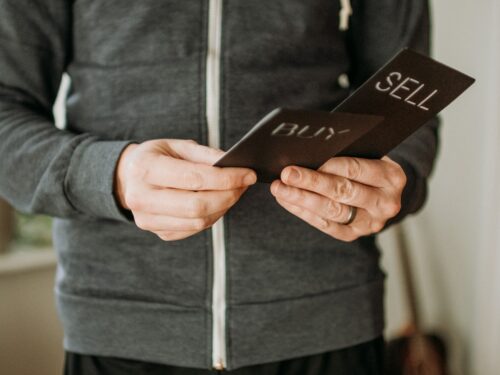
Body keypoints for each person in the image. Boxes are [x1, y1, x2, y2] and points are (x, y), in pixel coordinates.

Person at [0, 0, 438, 374]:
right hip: (122, 323)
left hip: (327, 318)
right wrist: (110, 175)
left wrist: (393, 180)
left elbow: (408, 89)